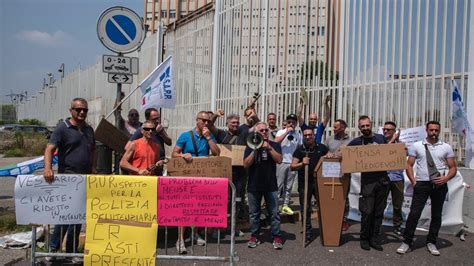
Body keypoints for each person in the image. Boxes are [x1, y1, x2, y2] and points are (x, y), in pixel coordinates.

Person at [43, 98, 96, 260]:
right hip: (67, 179)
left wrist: (93, 168)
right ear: (71, 110)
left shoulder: (89, 130)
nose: (82, 113)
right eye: (78, 109)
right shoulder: (62, 128)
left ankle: (71, 252)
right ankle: (53, 249)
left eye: (85, 110)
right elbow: (50, 149)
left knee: (77, 218)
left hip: (84, 179)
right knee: (65, 216)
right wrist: (48, 168)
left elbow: (93, 149)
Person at [397, 121, 457, 256]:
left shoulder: (446, 147)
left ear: (439, 131)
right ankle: (407, 241)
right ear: (426, 130)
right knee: (414, 214)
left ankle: (432, 242)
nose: (434, 133)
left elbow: (453, 167)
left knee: (436, 215)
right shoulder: (417, 146)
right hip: (422, 184)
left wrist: (446, 178)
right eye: (431, 130)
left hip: (439, 184)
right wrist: (413, 181)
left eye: (436, 130)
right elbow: (409, 165)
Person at [171, 111, 220, 254]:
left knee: (199, 208)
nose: (206, 123)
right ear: (197, 120)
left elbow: (217, 153)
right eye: (203, 120)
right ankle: (180, 239)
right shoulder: (185, 136)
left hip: (202, 178)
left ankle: (195, 233)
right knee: (184, 209)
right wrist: (182, 155)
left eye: (208, 121)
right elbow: (174, 153)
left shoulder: (208, 136)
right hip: (187, 178)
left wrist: (209, 137)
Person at [347, 115, 389, 251]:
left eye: (367, 125)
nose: (365, 128)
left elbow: (390, 154)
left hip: (383, 181)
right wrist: (332, 155)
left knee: (378, 212)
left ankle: (374, 238)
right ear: (359, 128)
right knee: (367, 211)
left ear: (371, 125)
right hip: (367, 183)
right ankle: (364, 238)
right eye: (362, 126)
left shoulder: (380, 139)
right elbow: (345, 153)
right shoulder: (356, 142)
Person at [243, 122, 283, 249]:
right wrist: (255, 150)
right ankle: (254, 235)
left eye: (266, 130)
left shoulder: (275, 144)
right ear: (256, 133)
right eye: (261, 130)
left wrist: (269, 148)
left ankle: (276, 236)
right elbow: (246, 164)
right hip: (254, 185)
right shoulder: (250, 145)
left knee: (274, 213)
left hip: (271, 185)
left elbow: (279, 160)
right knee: (254, 213)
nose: (264, 132)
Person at [290, 128, 329, 243]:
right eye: (305, 135)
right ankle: (307, 231)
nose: (308, 137)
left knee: (323, 207)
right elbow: (292, 166)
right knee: (305, 208)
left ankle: (326, 230)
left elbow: (330, 157)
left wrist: (329, 156)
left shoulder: (321, 148)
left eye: (310, 135)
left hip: (319, 183)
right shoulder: (299, 150)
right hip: (305, 183)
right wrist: (302, 163)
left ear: (313, 135)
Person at [212, 113, 246, 236]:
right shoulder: (221, 134)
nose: (235, 125)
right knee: (223, 200)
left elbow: (256, 126)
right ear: (227, 124)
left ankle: (234, 227)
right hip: (223, 172)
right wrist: (215, 115)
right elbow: (210, 125)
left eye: (237, 122)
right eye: (233, 122)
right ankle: (219, 227)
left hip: (240, 173)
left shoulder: (243, 134)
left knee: (237, 201)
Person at [325, 119, 352, 231]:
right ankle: (331, 218)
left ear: (343, 128)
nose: (333, 129)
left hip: (344, 172)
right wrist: (328, 153)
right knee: (331, 195)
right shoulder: (329, 140)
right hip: (330, 172)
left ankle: (343, 219)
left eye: (335, 127)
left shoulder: (351, 141)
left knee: (344, 196)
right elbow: (323, 152)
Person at [128, 108, 172, 175]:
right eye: (154, 119)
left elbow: (169, 142)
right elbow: (127, 147)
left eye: (158, 118)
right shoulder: (143, 130)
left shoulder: (160, 128)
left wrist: (162, 133)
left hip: (158, 165)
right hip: (145, 168)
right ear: (147, 119)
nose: (157, 121)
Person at [274, 114, 302, 215]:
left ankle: (285, 205)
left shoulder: (298, 134)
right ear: (286, 122)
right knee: (279, 185)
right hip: (281, 162)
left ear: (296, 124)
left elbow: (299, 147)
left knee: (288, 186)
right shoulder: (281, 131)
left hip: (292, 163)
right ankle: (275, 205)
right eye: (289, 122)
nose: (291, 124)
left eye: (293, 122)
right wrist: (286, 132)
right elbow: (276, 142)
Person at [382, 121, 404, 236]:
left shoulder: (401, 145)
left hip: (397, 177)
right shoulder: (380, 143)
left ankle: (397, 226)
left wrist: (397, 141)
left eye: (388, 130)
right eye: (384, 129)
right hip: (384, 178)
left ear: (394, 131)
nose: (385, 131)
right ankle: (377, 225)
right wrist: (391, 141)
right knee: (381, 203)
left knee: (397, 204)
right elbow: (382, 152)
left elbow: (406, 155)